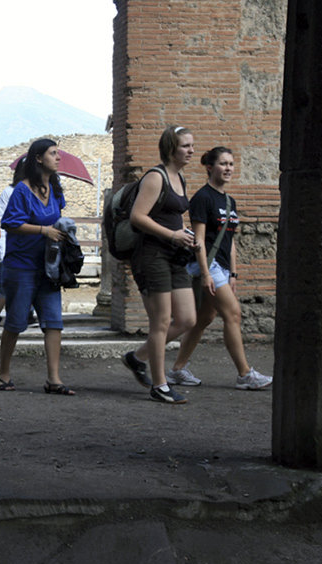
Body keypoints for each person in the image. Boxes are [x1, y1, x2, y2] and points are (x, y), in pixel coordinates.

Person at [166, 147, 273, 390]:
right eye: (223, 163)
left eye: (231, 164)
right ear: (209, 167)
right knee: (233, 314)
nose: (228, 168)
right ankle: (245, 374)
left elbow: (230, 240)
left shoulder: (229, 200)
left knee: (204, 318)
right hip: (208, 264)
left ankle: (177, 370)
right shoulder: (203, 198)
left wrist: (233, 274)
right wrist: (205, 273)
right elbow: (199, 240)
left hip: (223, 267)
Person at [121, 125, 199, 404]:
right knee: (161, 322)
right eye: (185, 146)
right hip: (151, 255)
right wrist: (172, 235)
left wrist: (186, 237)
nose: (191, 150)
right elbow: (137, 217)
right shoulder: (156, 177)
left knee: (188, 318)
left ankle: (137, 357)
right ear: (170, 149)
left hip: (175, 255)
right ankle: (160, 385)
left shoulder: (180, 178)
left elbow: (173, 217)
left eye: (191, 145)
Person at [0, 138, 75, 395]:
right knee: (16, 322)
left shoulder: (55, 189)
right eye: (53, 153)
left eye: (58, 153)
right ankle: (3, 371)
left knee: (54, 322)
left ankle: (54, 379)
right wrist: (44, 230)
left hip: (48, 266)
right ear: (39, 158)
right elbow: (9, 223)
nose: (58, 157)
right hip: (21, 266)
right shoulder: (22, 190)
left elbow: (58, 218)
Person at [0, 160, 26, 327]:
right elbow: (1, 221)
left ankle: (23, 315)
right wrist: (2, 248)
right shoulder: (8, 192)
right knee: (4, 285)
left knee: (25, 284)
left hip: (26, 248)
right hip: (8, 247)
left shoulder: (36, 192)